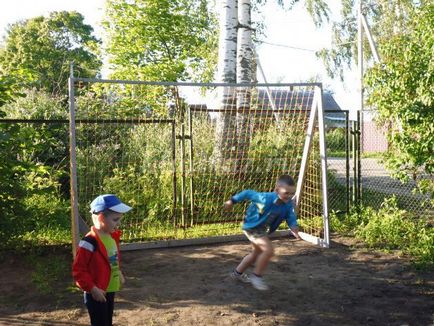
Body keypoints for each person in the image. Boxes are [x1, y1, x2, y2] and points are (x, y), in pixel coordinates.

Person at [224, 174, 301, 291]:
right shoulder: (264, 198)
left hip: (260, 229)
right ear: (277, 189)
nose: (289, 196)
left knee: (256, 254)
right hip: (251, 226)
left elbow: (290, 215)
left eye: (292, 193)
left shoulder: (287, 203)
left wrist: (293, 226)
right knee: (269, 250)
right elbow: (247, 193)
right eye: (286, 193)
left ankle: (237, 274)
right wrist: (232, 201)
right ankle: (256, 276)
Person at [72, 194, 132, 326]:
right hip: (97, 292)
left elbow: (112, 259)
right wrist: (93, 289)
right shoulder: (89, 242)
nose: (119, 223)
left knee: (107, 321)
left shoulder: (112, 237)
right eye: (115, 219)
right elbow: (79, 270)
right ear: (100, 218)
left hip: (109, 289)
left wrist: (119, 272)